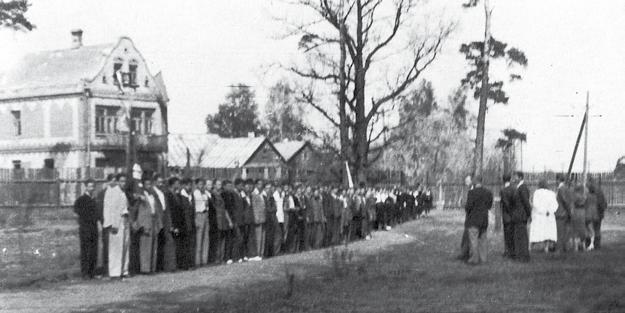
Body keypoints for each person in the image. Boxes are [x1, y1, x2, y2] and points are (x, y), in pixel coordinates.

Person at [103, 174, 130, 278]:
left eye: (125, 181)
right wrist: (113, 224)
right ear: (117, 182)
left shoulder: (123, 193)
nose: (123, 183)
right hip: (116, 221)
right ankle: (114, 272)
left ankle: (124, 270)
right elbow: (110, 209)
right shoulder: (113, 192)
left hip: (125, 219)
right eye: (121, 181)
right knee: (115, 248)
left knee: (125, 246)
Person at [464, 175, 493, 265]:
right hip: (484, 219)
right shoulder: (488, 192)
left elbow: (468, 206)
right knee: (483, 240)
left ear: (475, 181)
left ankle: (474, 259)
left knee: (473, 240)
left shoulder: (472, 193)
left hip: (473, 219)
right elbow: (489, 206)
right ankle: (483, 258)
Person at [74, 179, 99, 279]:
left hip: (94, 228)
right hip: (85, 228)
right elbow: (76, 213)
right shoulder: (81, 200)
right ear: (86, 187)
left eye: (93, 186)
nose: (91, 188)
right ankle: (85, 273)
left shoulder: (95, 200)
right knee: (85, 251)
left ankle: (92, 272)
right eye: (89, 186)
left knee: (94, 250)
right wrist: (82, 223)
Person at [154, 174, 176, 272]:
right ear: (155, 182)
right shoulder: (153, 192)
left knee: (167, 242)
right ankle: (156, 266)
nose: (160, 184)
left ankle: (167, 266)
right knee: (157, 243)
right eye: (159, 182)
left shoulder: (163, 193)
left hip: (165, 219)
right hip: (157, 218)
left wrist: (169, 223)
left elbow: (167, 209)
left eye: (162, 182)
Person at [529, 179, 558, 253]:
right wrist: (549, 211)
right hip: (548, 215)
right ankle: (546, 247)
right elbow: (555, 204)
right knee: (547, 232)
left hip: (539, 215)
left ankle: (531, 246)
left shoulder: (537, 193)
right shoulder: (551, 193)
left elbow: (535, 204)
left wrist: (542, 211)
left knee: (536, 232)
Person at [95, 174, 115, 276]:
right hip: (106, 224)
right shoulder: (102, 194)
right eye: (112, 181)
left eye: (115, 181)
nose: (114, 183)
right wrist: (101, 221)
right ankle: (106, 269)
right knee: (107, 247)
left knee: (115, 247)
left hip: (116, 223)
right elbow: (99, 209)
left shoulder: (118, 193)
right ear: (108, 182)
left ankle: (114, 269)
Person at [512, 171, 531, 262]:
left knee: (522, 236)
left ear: (520, 177)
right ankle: (520, 254)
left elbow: (526, 203)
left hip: (521, 215)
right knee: (519, 236)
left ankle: (523, 256)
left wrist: (528, 214)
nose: (514, 179)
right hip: (519, 215)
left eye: (515, 177)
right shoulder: (519, 187)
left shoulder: (522, 188)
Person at [193, 178, 210, 266]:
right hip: (199, 215)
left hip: (205, 215)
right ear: (196, 185)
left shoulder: (205, 193)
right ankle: (197, 261)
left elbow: (207, 203)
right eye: (200, 184)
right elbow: (202, 205)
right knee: (199, 239)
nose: (202, 186)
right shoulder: (196, 193)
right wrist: (205, 202)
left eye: (203, 184)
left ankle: (204, 260)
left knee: (205, 238)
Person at [499, 174, 516, 258]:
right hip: (514, 215)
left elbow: (505, 203)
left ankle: (508, 251)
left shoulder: (503, 190)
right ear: (510, 179)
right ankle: (513, 251)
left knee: (507, 234)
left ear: (503, 180)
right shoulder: (514, 189)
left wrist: (509, 212)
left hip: (507, 216)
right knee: (513, 234)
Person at [555, 174, 572, 253]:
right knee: (565, 232)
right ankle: (565, 248)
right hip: (565, 213)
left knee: (559, 232)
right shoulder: (566, 188)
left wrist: (568, 211)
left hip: (561, 213)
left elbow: (564, 201)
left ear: (558, 180)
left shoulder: (561, 189)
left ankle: (559, 249)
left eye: (556, 180)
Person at [458, 174, 473, 261]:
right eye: (465, 180)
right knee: (466, 235)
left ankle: (465, 254)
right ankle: (464, 253)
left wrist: (465, 204)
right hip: (468, 215)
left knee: (468, 235)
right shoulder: (467, 190)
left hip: (472, 216)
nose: (466, 182)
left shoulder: (472, 190)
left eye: (467, 180)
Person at [251, 179, 266, 261]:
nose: (261, 185)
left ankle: (261, 253)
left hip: (263, 217)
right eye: (259, 184)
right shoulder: (254, 194)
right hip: (258, 218)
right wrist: (256, 218)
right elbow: (254, 207)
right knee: (258, 237)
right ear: (256, 185)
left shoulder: (262, 194)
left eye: (262, 184)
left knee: (262, 236)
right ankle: (257, 253)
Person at [570, 184, 588, 252]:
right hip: (582, 212)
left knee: (575, 229)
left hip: (576, 212)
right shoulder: (583, 196)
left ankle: (576, 247)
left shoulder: (575, 195)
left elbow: (572, 204)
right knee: (582, 229)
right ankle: (583, 246)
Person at [585, 182, 600, 251]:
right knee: (592, 230)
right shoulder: (595, 196)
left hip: (589, 214)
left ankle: (591, 244)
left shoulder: (587, 196)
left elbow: (585, 204)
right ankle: (592, 243)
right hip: (595, 214)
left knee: (590, 230)